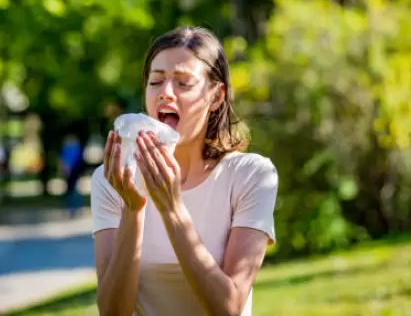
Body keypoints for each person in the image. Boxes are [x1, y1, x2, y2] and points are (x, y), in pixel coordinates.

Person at [90, 26, 279, 315]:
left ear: (216, 97)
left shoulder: (251, 176)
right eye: (156, 81)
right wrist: (133, 208)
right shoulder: (112, 181)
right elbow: (112, 312)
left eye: (183, 83)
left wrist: (172, 208)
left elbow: (229, 308)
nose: (165, 93)